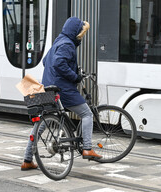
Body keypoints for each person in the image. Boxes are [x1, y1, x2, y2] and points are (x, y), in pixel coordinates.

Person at [21, 17, 102, 171]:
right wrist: (75, 76)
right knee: (87, 114)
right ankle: (87, 148)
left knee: (42, 123)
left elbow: (46, 61)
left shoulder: (59, 41)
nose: (81, 36)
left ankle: (27, 159)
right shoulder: (67, 44)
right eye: (81, 32)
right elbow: (59, 63)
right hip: (62, 89)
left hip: (47, 87)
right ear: (75, 32)